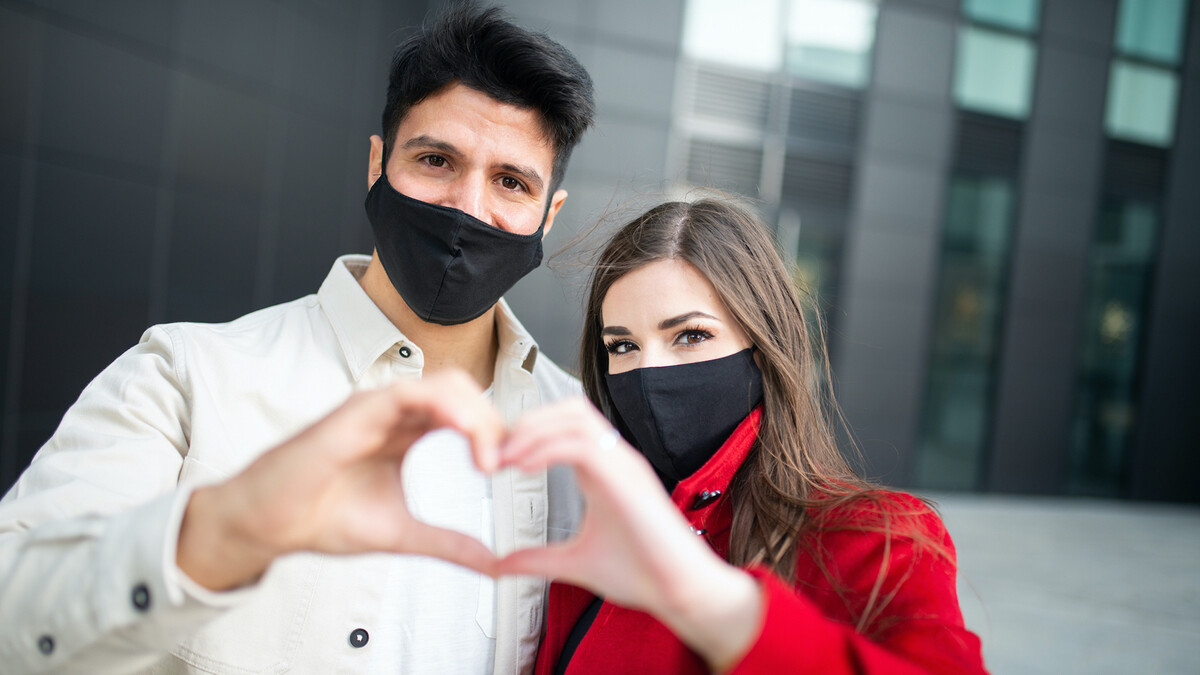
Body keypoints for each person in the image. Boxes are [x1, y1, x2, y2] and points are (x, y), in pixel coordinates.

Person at [0, 5, 593, 674]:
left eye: (510, 182)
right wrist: (222, 532)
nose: (465, 206)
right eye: (436, 159)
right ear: (377, 164)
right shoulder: (187, 377)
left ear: (549, 215)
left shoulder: (584, 443)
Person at [493, 199, 989, 673]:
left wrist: (720, 607)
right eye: (622, 345)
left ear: (764, 347)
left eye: (690, 335)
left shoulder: (876, 541)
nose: (648, 372)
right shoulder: (594, 528)